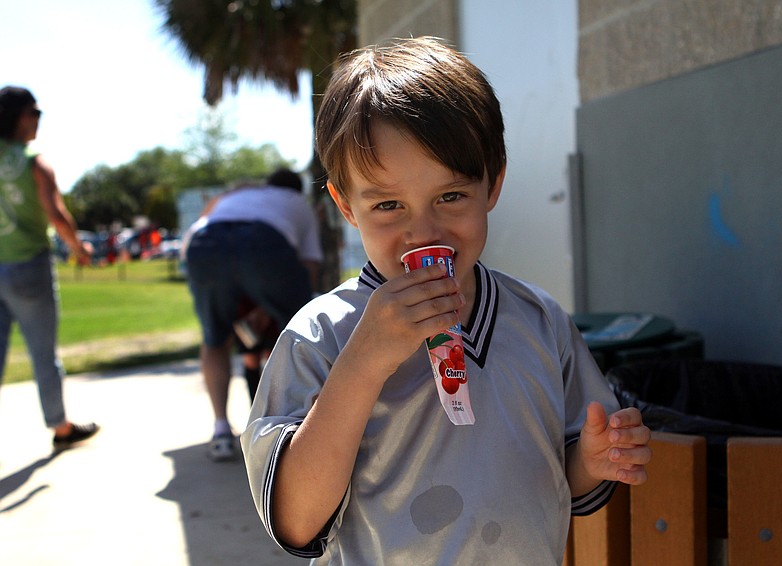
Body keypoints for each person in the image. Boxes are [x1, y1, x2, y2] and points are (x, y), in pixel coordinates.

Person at [241, 37, 652, 564]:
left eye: (451, 196)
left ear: (493, 183)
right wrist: (364, 362)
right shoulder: (320, 337)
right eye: (388, 205)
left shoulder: (539, 321)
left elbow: (559, 475)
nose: (424, 232)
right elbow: (296, 521)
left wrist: (592, 460)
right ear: (347, 207)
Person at [184, 167, 322, 461]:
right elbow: (309, 266)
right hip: (264, 240)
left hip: (203, 244)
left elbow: (202, 232)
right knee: (299, 334)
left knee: (214, 339)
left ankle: (221, 430)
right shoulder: (299, 204)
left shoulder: (241, 194)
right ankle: (294, 425)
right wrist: (288, 308)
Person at [0, 86, 100, 450]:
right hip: (27, 266)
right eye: (35, 113)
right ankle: (60, 427)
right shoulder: (33, 161)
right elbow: (56, 214)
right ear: (20, 117)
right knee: (42, 353)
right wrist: (79, 248)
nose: (38, 120)